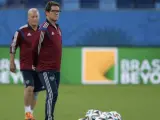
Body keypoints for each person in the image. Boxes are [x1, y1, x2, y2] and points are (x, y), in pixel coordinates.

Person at [10, 8, 45, 120]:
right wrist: (12, 62)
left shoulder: (44, 31)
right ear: (28, 18)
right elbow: (13, 46)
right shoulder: (21, 31)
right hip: (27, 65)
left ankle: (30, 114)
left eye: (36, 17)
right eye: (32, 17)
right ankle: (27, 113)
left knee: (36, 92)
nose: (35, 19)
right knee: (29, 87)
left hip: (40, 66)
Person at [32, 1, 62, 120]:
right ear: (47, 13)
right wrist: (34, 63)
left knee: (53, 95)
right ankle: (49, 118)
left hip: (56, 69)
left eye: (58, 11)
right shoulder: (43, 28)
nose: (57, 13)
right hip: (45, 68)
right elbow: (35, 47)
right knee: (52, 93)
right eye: (54, 11)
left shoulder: (58, 28)